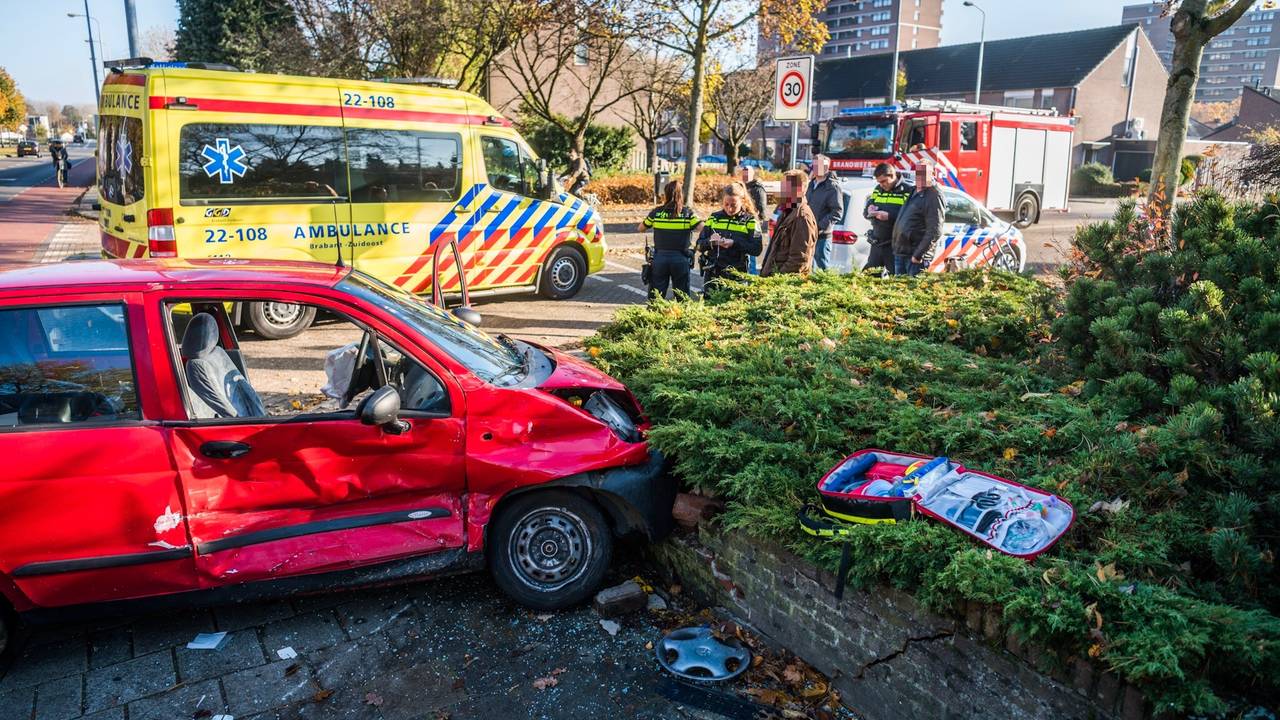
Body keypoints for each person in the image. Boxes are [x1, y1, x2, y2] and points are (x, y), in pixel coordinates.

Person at [638, 180, 701, 299]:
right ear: (681, 195)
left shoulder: (657, 212)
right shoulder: (687, 213)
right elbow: (703, 229)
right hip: (681, 258)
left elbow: (641, 228)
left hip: (660, 258)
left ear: (665, 194)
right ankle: (682, 316)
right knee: (682, 296)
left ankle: (654, 316)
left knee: (657, 296)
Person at [696, 182, 762, 290]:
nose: (729, 209)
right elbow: (699, 245)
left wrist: (734, 243)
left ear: (742, 201)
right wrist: (711, 242)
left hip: (736, 276)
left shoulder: (750, 221)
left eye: (733, 205)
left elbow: (756, 249)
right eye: (726, 204)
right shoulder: (714, 218)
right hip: (713, 274)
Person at [891, 161, 945, 277]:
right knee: (899, 292)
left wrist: (918, 254)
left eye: (924, 173)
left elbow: (935, 230)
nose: (920, 176)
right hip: (901, 252)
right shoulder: (913, 190)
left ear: (933, 173)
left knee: (912, 292)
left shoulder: (934, 195)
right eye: (918, 173)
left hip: (915, 257)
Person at [760, 170, 817, 277]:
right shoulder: (787, 212)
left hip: (783, 284)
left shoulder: (802, 217)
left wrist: (777, 279)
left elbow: (799, 260)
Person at [862, 163, 912, 274]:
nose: (881, 185)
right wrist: (869, 211)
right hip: (877, 242)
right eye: (879, 182)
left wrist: (889, 216)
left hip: (895, 244)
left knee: (896, 280)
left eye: (884, 181)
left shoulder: (907, 190)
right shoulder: (878, 189)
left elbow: (909, 216)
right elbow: (865, 212)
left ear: (893, 175)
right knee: (869, 276)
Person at [805, 154, 843, 271]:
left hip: (822, 236)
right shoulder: (810, 184)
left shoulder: (833, 187)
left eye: (820, 166)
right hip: (807, 234)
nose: (817, 169)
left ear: (827, 168)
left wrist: (818, 227)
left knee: (823, 269)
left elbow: (837, 212)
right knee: (806, 267)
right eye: (814, 166)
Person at [739, 165, 768, 275]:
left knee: (751, 255)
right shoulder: (741, 187)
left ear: (752, 174)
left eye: (748, 174)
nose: (745, 176)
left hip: (752, 224)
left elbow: (762, 211)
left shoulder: (758, 189)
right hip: (741, 224)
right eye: (744, 174)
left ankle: (752, 278)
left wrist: (761, 229)